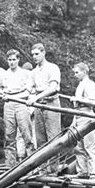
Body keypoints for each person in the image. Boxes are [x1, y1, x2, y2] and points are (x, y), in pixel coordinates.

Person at [0, 49, 34, 168]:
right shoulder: (4, 74)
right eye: (9, 60)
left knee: (26, 134)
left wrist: (21, 96)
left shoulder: (25, 73)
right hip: (9, 104)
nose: (11, 62)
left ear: (18, 60)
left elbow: (29, 88)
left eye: (14, 60)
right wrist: (2, 94)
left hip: (21, 103)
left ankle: (32, 166)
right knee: (9, 136)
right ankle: (10, 166)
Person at [26, 43, 61, 172]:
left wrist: (35, 96)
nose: (34, 57)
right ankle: (43, 169)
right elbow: (28, 88)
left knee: (53, 138)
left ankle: (53, 169)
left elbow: (52, 88)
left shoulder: (53, 68)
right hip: (39, 105)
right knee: (40, 139)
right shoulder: (34, 72)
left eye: (37, 54)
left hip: (51, 104)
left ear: (43, 53)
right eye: (33, 55)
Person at [70, 62, 95, 178]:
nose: (75, 75)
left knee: (89, 146)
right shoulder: (80, 85)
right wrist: (74, 120)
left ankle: (93, 173)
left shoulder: (90, 84)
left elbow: (93, 102)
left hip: (87, 115)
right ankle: (82, 172)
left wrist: (78, 99)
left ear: (84, 72)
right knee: (78, 147)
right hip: (78, 115)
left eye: (77, 72)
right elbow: (76, 105)